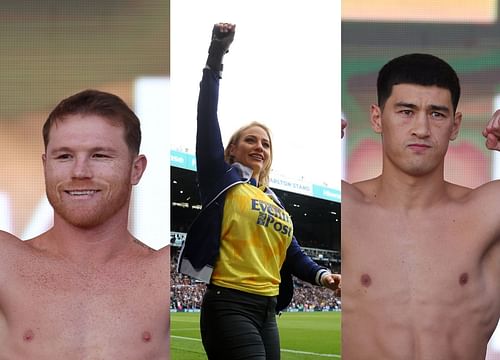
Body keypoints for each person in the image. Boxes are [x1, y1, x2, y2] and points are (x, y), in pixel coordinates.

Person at [177, 23, 341, 360]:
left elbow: (291, 253)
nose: (259, 147)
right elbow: (206, 115)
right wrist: (215, 57)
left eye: (265, 143)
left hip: (268, 311)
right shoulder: (221, 179)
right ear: (232, 149)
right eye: (250, 139)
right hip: (229, 303)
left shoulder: (273, 199)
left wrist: (322, 275)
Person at [342, 53, 500, 359]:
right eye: (406, 111)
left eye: (437, 114)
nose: (422, 129)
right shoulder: (347, 208)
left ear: (455, 126)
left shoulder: (488, 213)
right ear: (377, 118)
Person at [0, 90, 170, 359]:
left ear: (136, 169)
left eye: (100, 156)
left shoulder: (162, 272)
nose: (79, 172)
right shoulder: (5, 261)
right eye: (64, 156)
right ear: (45, 166)